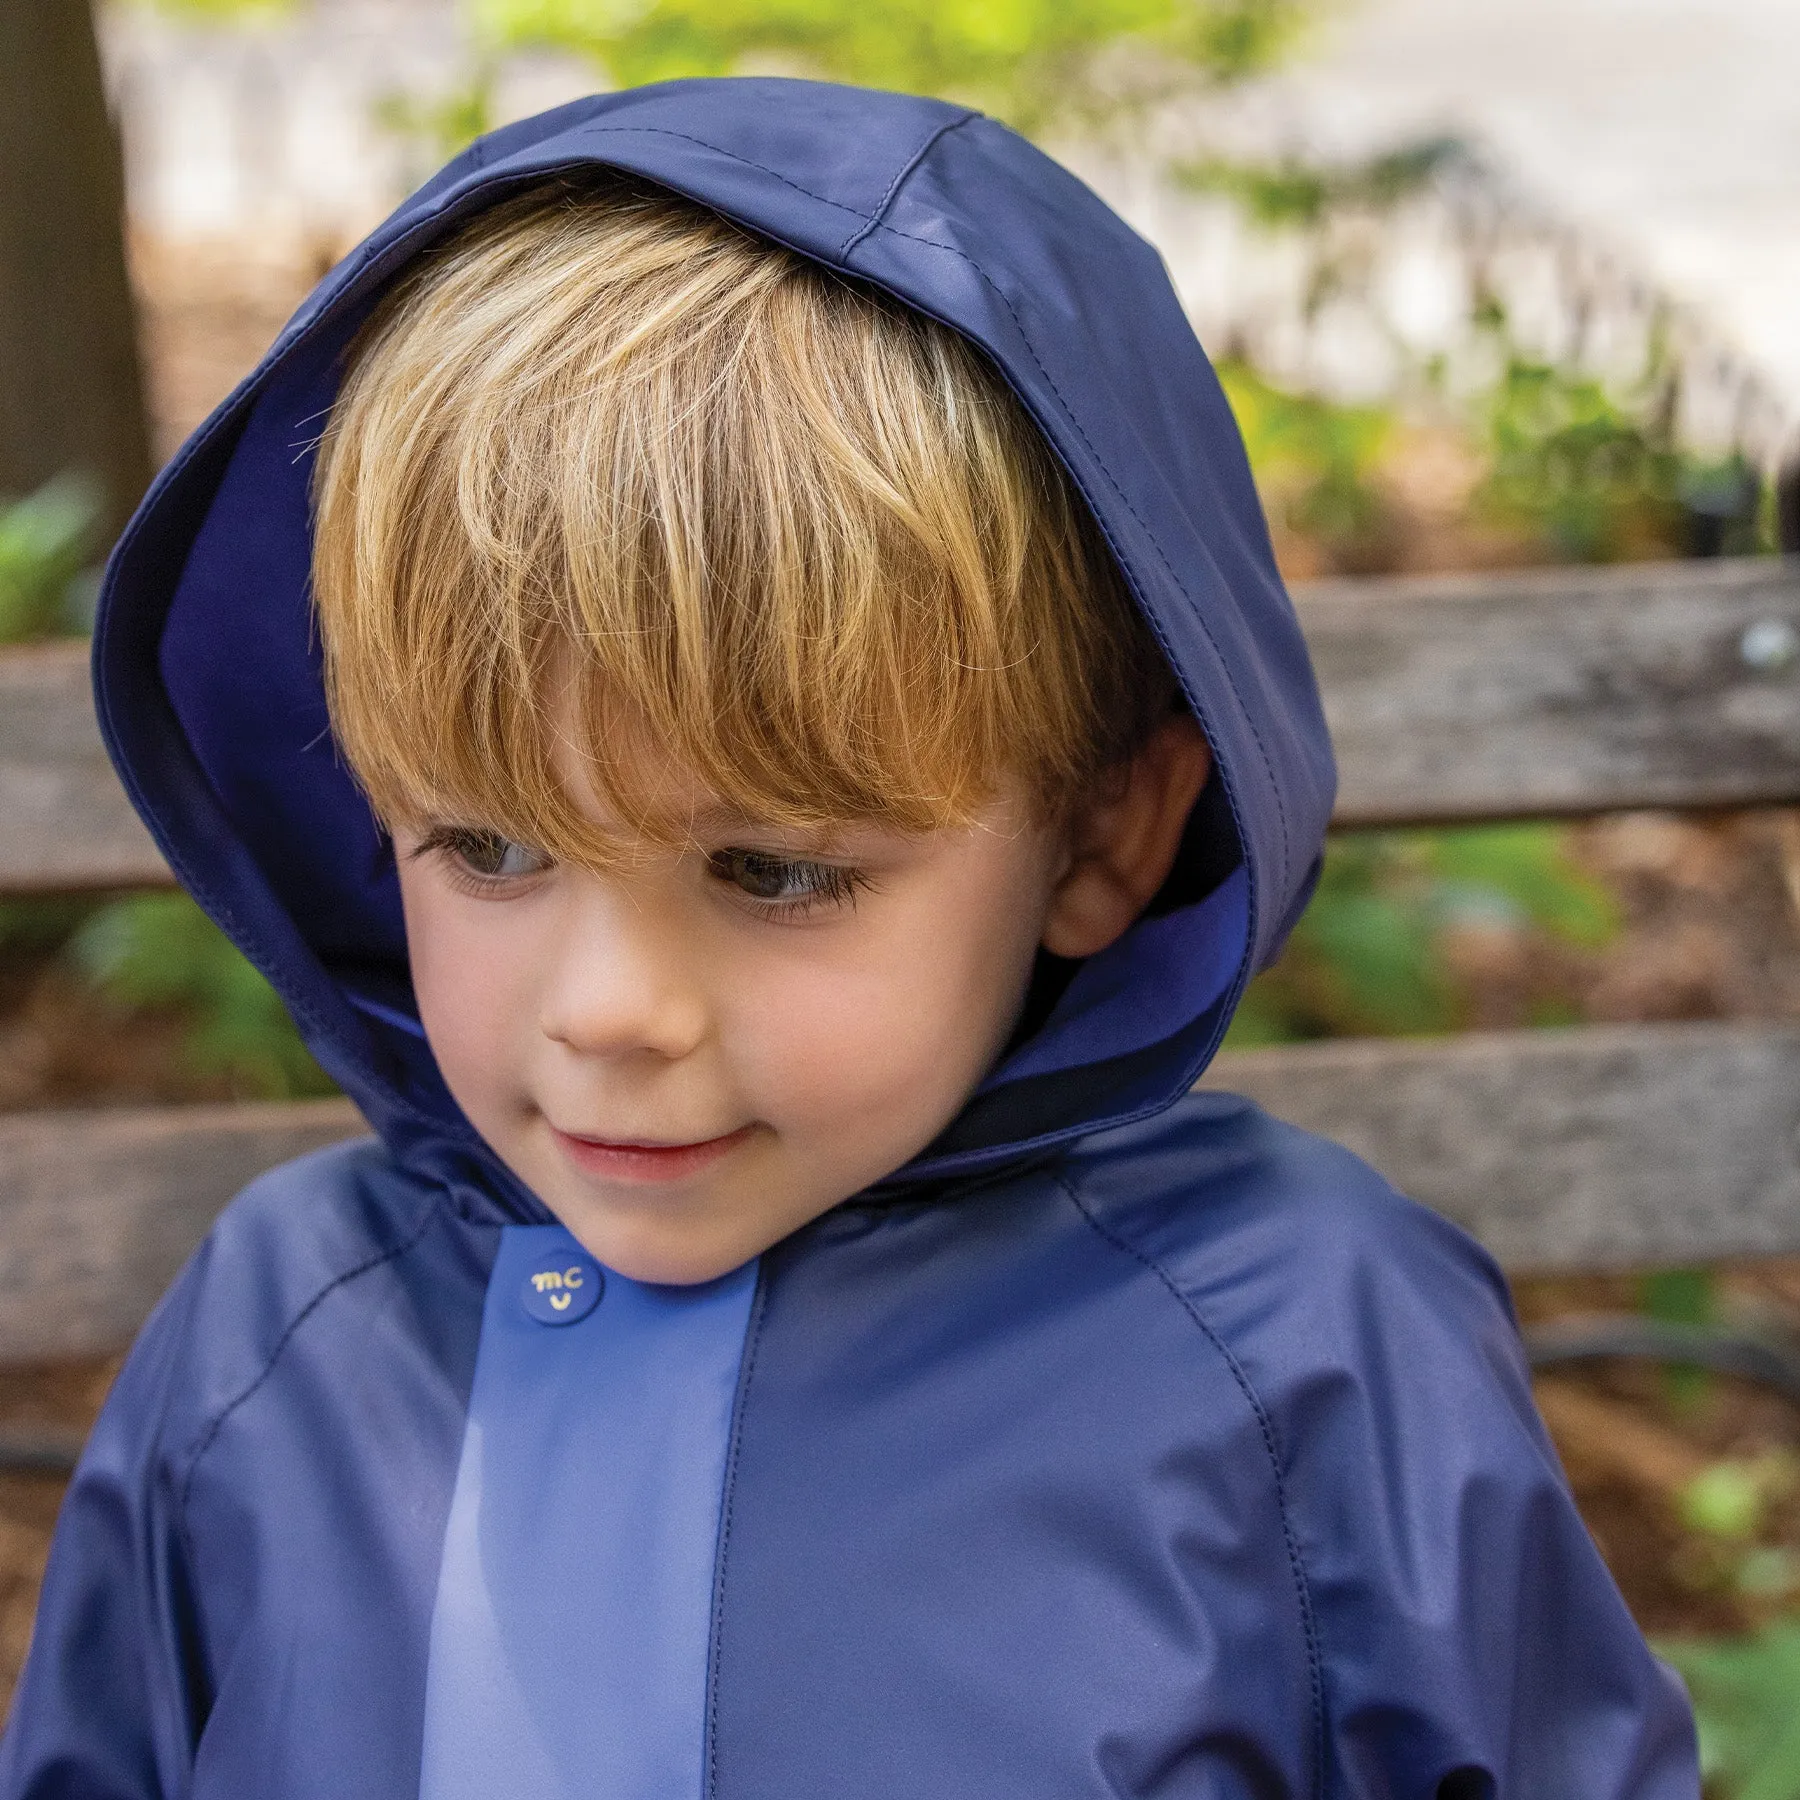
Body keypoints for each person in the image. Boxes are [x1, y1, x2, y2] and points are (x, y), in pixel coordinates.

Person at [1, 78, 1697, 1799]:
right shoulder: (280, 1339)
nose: (613, 1013)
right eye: (491, 845)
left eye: (775, 873)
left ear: (1102, 837)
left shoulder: (1303, 1350)